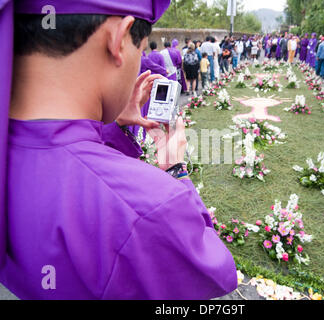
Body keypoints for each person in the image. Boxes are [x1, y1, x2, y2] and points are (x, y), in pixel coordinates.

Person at [0, 0, 237, 300]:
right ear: (119, 38)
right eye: (139, 50)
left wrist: (117, 130)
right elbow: (216, 272)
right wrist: (176, 172)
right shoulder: (149, 208)